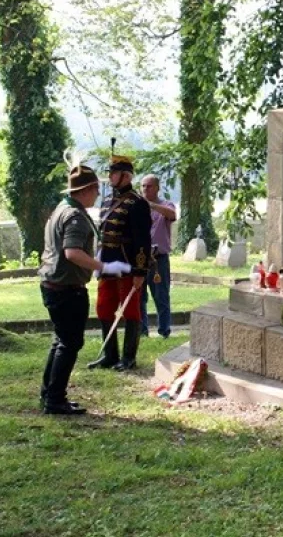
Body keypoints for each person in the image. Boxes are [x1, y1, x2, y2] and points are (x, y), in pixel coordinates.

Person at [38, 157, 131, 414]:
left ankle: (49, 393)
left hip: (53, 285)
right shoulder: (75, 217)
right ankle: (55, 400)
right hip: (66, 289)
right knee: (70, 343)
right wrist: (104, 267)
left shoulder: (61, 209)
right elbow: (71, 252)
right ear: (86, 190)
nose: (98, 195)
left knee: (61, 341)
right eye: (96, 190)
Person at [86, 154, 152, 372]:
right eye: (110, 173)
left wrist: (140, 270)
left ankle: (128, 358)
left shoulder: (137, 203)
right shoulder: (106, 201)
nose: (110, 177)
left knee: (130, 311)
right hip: (107, 264)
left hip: (127, 265)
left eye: (114, 173)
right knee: (104, 309)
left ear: (125, 176)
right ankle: (110, 356)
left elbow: (143, 240)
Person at [140, 174, 177, 339]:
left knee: (161, 296)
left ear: (157, 188)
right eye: (143, 186)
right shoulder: (137, 207)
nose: (145, 189)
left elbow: (172, 214)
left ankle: (164, 331)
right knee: (139, 298)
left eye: (148, 186)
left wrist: (152, 206)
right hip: (140, 259)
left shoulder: (165, 205)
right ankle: (142, 331)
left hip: (158, 259)